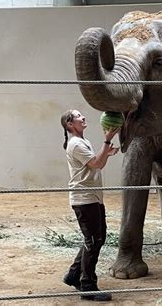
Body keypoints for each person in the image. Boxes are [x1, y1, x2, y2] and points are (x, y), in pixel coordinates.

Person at [60, 109, 119, 302]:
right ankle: (88, 286)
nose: (83, 117)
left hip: (92, 197)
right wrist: (107, 140)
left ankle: (73, 275)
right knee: (93, 240)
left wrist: (106, 153)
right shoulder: (76, 144)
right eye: (78, 116)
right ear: (70, 124)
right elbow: (95, 164)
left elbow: (97, 163)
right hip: (84, 199)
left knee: (95, 238)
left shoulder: (82, 142)